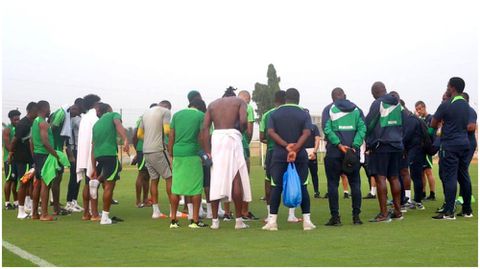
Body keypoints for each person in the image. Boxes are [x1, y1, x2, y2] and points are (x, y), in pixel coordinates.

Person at [263, 88, 316, 231]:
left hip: (279, 154)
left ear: (286, 98)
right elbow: (307, 132)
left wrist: (286, 146)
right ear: (298, 99)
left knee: (276, 187)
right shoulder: (304, 114)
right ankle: (307, 221)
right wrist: (296, 148)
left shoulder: (274, 113)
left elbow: (270, 132)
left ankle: (272, 222)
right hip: (299, 156)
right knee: (303, 186)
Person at [202, 86, 252, 230]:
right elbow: (243, 121)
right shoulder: (239, 102)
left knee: (216, 178)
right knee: (236, 177)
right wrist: (239, 131)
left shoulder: (212, 105)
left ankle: (215, 221)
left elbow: (205, 128)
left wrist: (207, 150)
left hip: (217, 138)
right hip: (232, 137)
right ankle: (238, 221)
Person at [322, 87, 365, 226]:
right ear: (345, 96)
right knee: (355, 184)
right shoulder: (357, 110)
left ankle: (335, 218)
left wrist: (339, 145)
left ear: (332, 98)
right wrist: (355, 146)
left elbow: (327, 129)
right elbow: (363, 128)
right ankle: (356, 217)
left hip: (334, 153)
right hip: (352, 153)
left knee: (333, 184)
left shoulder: (328, 109)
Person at [431, 77, 472, 219]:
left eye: (448, 86)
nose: (447, 88)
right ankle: (467, 210)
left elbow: (433, 123)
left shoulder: (446, 105)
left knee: (450, 178)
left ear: (452, 88)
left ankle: (449, 211)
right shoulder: (468, 106)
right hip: (465, 144)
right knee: (464, 177)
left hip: (450, 145)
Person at [365, 82, 404, 222]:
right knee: (394, 177)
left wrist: (368, 140)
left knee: (380, 177)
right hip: (397, 144)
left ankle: (383, 214)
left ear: (375, 92)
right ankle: (398, 212)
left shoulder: (378, 103)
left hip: (381, 145)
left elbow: (369, 124)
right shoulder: (397, 103)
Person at [259, 90, 300, 223]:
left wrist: (276, 141)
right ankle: (291, 214)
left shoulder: (268, 114)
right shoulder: (297, 112)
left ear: (275, 100)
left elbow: (262, 137)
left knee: (270, 182)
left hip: (273, 151)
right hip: (293, 150)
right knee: (292, 178)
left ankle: (270, 215)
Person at [168, 98, 208, 228]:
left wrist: (171, 153)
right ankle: (194, 220)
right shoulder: (200, 115)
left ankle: (173, 219)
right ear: (200, 108)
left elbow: (171, 136)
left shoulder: (176, 115)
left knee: (176, 187)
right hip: (193, 153)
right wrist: (205, 153)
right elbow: (202, 136)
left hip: (177, 153)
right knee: (196, 187)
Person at [91, 103, 129, 225]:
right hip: (110, 154)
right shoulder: (113, 114)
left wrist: (94, 168)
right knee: (109, 186)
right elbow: (118, 124)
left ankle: (98, 179)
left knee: (116, 169)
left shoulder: (96, 125)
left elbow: (93, 146)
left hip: (99, 155)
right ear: (108, 109)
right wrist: (126, 139)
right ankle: (105, 218)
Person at [139, 100, 173, 219]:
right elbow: (167, 130)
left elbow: (139, 134)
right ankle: (173, 211)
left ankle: (156, 211)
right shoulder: (166, 112)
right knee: (169, 178)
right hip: (158, 149)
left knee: (154, 179)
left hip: (146, 150)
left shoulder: (145, 113)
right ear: (168, 107)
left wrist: (149, 140)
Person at [31, 100, 59, 221]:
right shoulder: (43, 123)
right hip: (45, 156)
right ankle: (44, 214)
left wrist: (34, 156)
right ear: (45, 109)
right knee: (45, 184)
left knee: (37, 184)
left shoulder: (34, 122)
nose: (50, 111)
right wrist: (55, 155)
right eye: (49, 108)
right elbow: (45, 142)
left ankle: (34, 213)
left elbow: (31, 141)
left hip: (37, 155)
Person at [9, 103, 37, 219]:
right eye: (36, 111)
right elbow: (15, 140)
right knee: (24, 182)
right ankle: (20, 211)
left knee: (29, 182)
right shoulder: (23, 124)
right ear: (30, 111)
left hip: (30, 159)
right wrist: (10, 154)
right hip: (23, 159)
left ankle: (28, 206)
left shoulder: (32, 122)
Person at [76, 94, 101, 221]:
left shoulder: (84, 118)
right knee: (93, 184)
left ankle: (86, 213)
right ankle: (95, 213)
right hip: (92, 156)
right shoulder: (95, 119)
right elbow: (95, 140)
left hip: (83, 156)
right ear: (95, 104)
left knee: (87, 184)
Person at [237, 90, 258, 221]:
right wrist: (246, 142)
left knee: (230, 179)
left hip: (226, 146)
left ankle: (227, 212)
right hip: (241, 146)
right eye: (249, 99)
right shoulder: (247, 107)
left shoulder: (227, 107)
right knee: (244, 180)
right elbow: (249, 131)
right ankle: (244, 211)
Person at [132, 104, 156, 208]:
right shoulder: (144, 118)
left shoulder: (154, 119)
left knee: (147, 176)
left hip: (150, 149)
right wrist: (137, 152)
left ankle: (145, 200)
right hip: (143, 149)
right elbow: (135, 136)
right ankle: (138, 201)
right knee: (141, 174)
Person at [455, 92, 476, 205]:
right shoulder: (461, 111)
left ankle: (465, 196)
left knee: (462, 170)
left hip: (469, 144)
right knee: (460, 170)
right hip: (462, 143)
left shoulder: (470, 111)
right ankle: (466, 195)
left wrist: (456, 128)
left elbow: (472, 127)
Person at [65, 98, 85, 212]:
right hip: (74, 150)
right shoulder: (76, 119)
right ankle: (69, 202)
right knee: (74, 176)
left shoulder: (77, 118)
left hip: (78, 150)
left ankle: (73, 201)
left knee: (77, 177)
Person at [414, 100, 436, 200]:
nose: (418, 111)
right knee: (421, 172)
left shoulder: (430, 118)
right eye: (417, 109)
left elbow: (430, 133)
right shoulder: (420, 119)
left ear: (424, 107)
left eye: (420, 109)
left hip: (427, 149)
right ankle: (423, 192)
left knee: (428, 172)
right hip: (420, 149)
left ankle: (432, 194)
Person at [3, 109, 21, 210]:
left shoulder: (20, 129)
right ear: (10, 119)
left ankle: (16, 201)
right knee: (9, 180)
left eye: (18, 119)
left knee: (16, 181)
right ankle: (7, 203)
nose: (17, 121)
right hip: (9, 159)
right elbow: (7, 146)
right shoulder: (7, 130)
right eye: (15, 119)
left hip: (18, 159)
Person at [303, 109, 321, 198]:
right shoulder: (313, 127)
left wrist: (314, 151)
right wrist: (314, 151)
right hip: (308, 152)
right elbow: (317, 139)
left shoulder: (312, 127)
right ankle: (315, 192)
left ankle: (311, 191)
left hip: (306, 152)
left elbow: (317, 139)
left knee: (307, 174)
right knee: (312, 174)